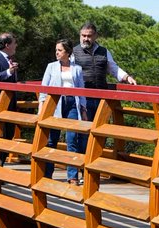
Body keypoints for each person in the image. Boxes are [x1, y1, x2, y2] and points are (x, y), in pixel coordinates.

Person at [39, 38, 86, 184]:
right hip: (55, 104)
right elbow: (43, 88)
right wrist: (41, 109)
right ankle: (47, 174)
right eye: (56, 50)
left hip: (72, 103)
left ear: (67, 52)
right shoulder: (51, 67)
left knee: (72, 140)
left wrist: (83, 110)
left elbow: (81, 90)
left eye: (59, 50)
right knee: (52, 140)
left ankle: (72, 176)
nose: (57, 53)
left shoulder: (77, 69)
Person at [73, 22, 137, 123]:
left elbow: (113, 68)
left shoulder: (104, 51)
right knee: (83, 131)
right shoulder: (73, 52)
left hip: (101, 98)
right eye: (83, 35)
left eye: (89, 36)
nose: (85, 39)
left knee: (101, 129)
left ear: (95, 36)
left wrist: (127, 77)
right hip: (83, 99)